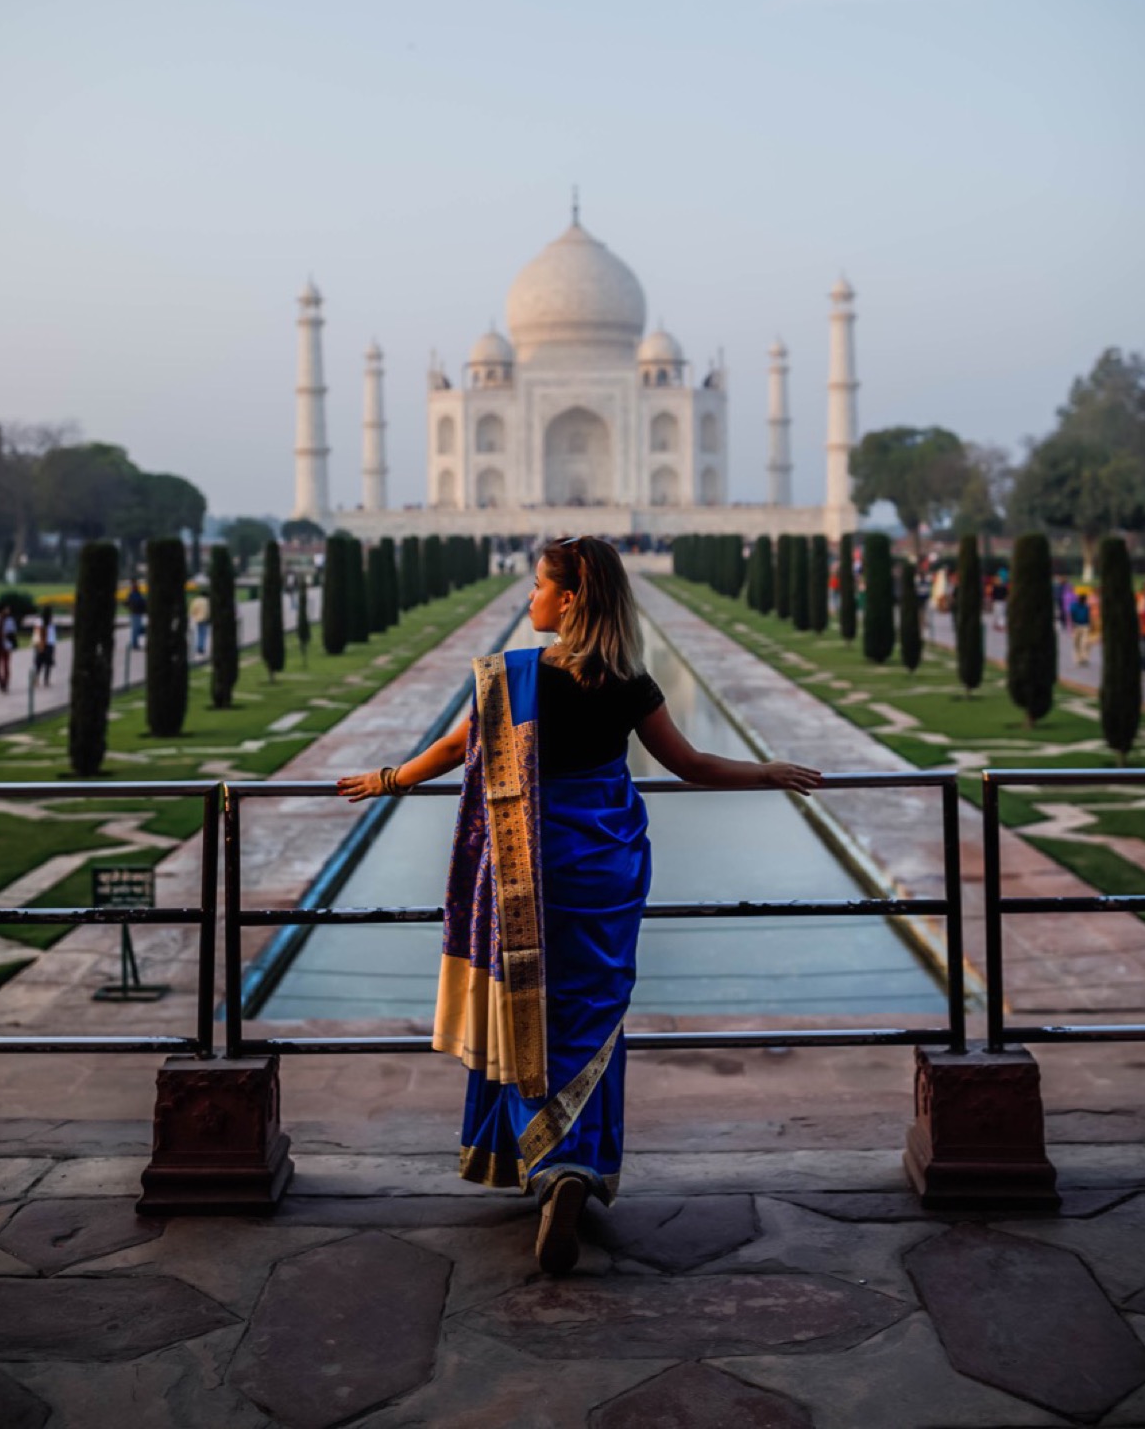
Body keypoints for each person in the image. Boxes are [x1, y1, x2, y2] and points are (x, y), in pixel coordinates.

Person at [336, 535, 820, 1277]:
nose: (526, 597)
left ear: (567, 599)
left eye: (536, 585)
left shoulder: (513, 678)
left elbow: (452, 749)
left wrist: (388, 778)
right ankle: (578, 1164)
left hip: (530, 868)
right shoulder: (628, 680)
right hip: (604, 869)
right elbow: (689, 766)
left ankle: (545, 1164)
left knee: (527, 1003)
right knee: (594, 1013)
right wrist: (767, 772)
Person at [32, 605, 57, 687]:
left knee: (39, 663)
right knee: (47, 663)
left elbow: (36, 633)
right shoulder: (49, 621)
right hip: (49, 644)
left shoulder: (39, 621)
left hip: (41, 644)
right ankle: (46, 680)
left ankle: (37, 679)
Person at [1070, 588, 1092, 666]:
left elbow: (1089, 617)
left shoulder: (1087, 606)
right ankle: (1078, 659)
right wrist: (1071, 626)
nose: (1083, 599)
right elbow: (1071, 616)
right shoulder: (1074, 606)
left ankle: (1084, 658)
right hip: (1076, 625)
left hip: (1085, 626)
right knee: (1076, 643)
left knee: (1085, 643)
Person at [189, 588, 211, 656]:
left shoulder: (196, 600)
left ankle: (198, 647)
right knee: (203, 634)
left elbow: (192, 610)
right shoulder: (207, 601)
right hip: (205, 619)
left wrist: (194, 615)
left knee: (199, 633)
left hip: (198, 619)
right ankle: (201, 648)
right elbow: (209, 610)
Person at [127, 581, 147, 650]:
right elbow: (135, 603)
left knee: (136, 630)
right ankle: (135, 644)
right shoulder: (134, 595)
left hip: (136, 614)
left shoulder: (135, 594)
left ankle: (135, 644)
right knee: (136, 630)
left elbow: (130, 603)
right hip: (136, 614)